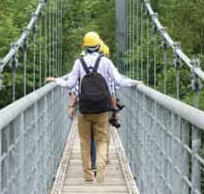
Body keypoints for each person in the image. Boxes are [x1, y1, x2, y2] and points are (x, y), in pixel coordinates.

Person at [47, 31, 137, 184]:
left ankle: (88, 174)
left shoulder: (78, 62)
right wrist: (135, 83)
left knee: (85, 141)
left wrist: (57, 81)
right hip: (102, 109)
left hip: (84, 109)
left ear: (85, 46)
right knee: (101, 139)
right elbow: (119, 81)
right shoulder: (106, 62)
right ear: (98, 46)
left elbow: (70, 84)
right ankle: (100, 163)